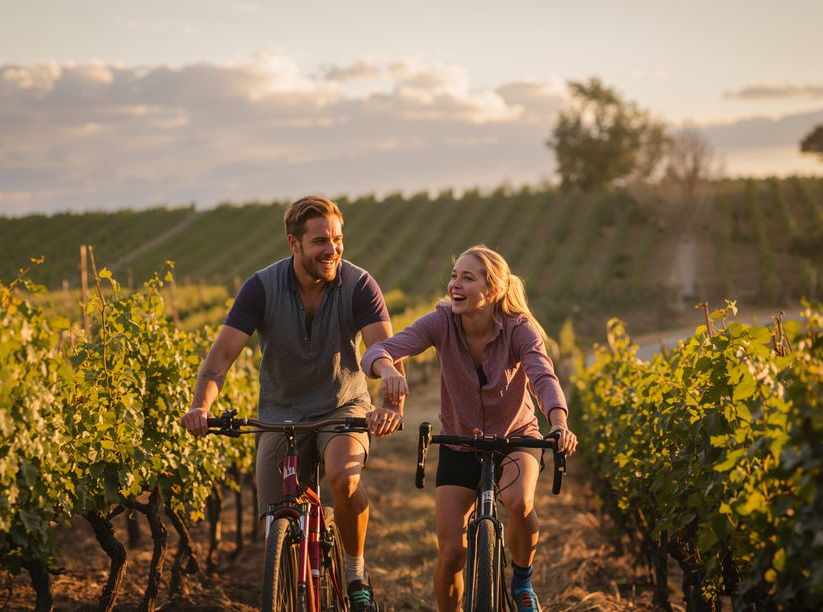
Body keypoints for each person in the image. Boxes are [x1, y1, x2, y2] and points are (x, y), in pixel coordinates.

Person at [183, 195, 403, 612]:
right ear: (293, 243)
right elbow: (220, 359)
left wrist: (392, 405)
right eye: (320, 240)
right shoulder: (261, 288)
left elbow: (385, 353)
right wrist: (201, 406)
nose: (332, 249)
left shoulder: (359, 285)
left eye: (338, 239)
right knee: (275, 514)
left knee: (343, 477)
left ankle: (355, 574)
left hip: (343, 406)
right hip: (279, 413)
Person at [360, 244, 577, 612]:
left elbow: (543, 377)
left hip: (516, 439)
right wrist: (389, 369)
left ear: (492, 291)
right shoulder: (441, 322)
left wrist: (558, 422)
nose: (455, 285)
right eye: (454, 276)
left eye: (467, 278)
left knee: (520, 501)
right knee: (450, 556)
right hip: (460, 444)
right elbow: (379, 350)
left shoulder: (519, 329)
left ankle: (522, 581)